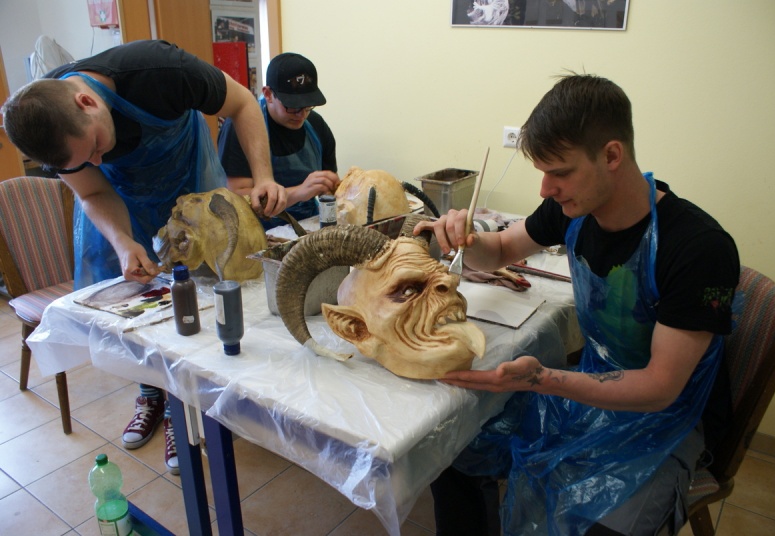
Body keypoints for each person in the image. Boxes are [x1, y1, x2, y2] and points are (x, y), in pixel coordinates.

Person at [414, 74, 740, 535]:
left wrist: (543, 379)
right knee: (453, 448)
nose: (545, 189)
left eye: (561, 173)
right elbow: (502, 248)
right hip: (591, 390)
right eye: (542, 173)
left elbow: (659, 387)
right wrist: (466, 239)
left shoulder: (698, 248)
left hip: (666, 424)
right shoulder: (572, 209)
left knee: (596, 526)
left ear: (612, 155)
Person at [1, 39, 287, 476]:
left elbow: (244, 104)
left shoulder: (162, 72)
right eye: (87, 159)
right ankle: (151, 395)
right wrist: (122, 242)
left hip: (187, 178)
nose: (99, 158)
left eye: (96, 146)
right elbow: (94, 192)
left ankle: (182, 407)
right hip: (119, 200)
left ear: (86, 101)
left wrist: (263, 175)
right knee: (137, 303)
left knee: (198, 293)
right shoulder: (54, 131)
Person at [218, 52, 339, 230]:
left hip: (307, 225)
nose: (301, 115)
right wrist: (299, 192)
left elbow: (329, 189)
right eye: (292, 106)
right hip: (258, 232)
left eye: (307, 106)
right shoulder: (239, 128)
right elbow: (236, 198)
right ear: (268, 94)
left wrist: (329, 187)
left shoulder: (316, 125)